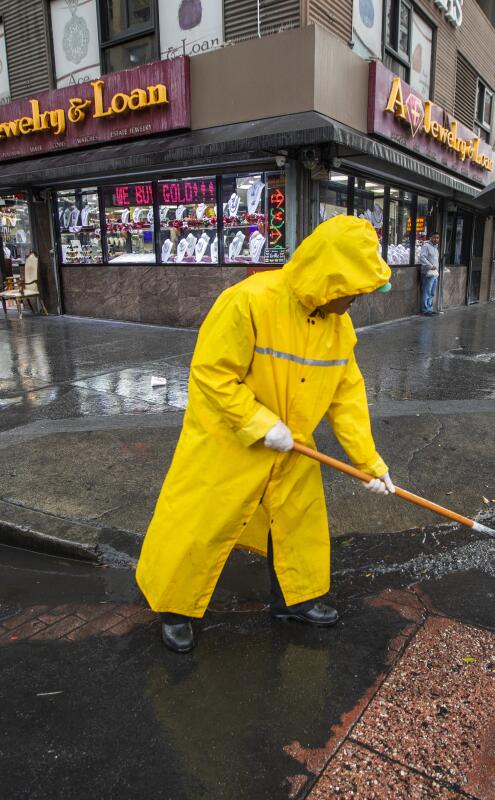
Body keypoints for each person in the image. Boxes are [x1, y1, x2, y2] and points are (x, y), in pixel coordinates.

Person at [136, 215, 396, 654]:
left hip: (292, 447)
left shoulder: (339, 328)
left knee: (295, 525)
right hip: (228, 442)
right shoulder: (248, 301)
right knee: (199, 525)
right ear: (331, 280)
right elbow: (212, 375)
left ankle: (296, 599)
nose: (357, 300)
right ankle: (175, 609)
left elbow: (346, 398)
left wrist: (369, 463)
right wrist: (260, 424)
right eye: (354, 290)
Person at [419, 231, 441, 315]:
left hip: (435, 273)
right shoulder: (426, 246)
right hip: (427, 273)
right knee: (427, 291)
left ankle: (430, 309)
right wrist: (430, 266)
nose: (436, 239)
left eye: (437, 238)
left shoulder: (436, 248)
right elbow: (422, 257)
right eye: (435, 237)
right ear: (431, 238)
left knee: (432, 292)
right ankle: (425, 310)